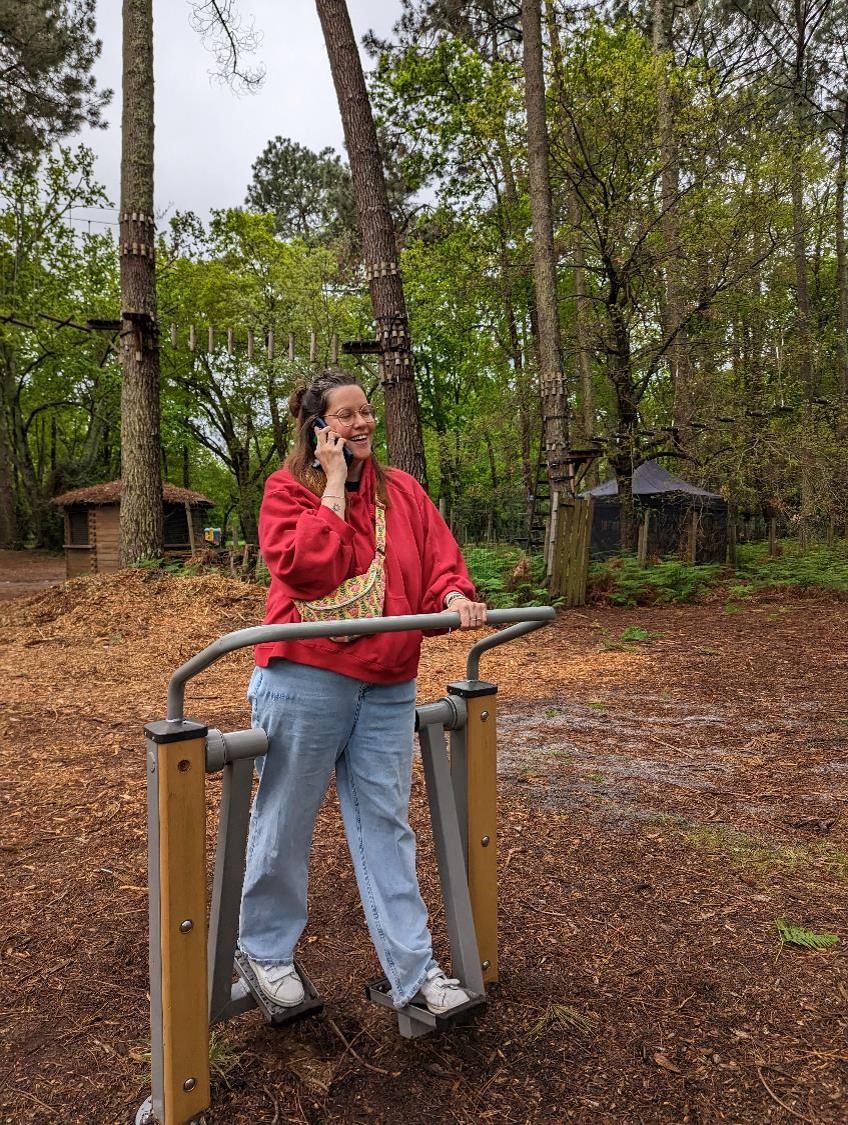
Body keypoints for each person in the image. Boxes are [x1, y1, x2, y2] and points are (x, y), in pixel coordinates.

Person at [238, 369, 488, 1015]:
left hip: (387, 681)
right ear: (318, 427)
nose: (362, 424)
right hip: (306, 674)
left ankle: (415, 973)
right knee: (286, 820)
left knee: (387, 826)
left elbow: (439, 560)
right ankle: (265, 953)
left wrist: (455, 594)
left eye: (366, 412)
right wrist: (335, 486)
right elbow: (305, 569)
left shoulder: (403, 491)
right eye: (345, 415)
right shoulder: (288, 488)